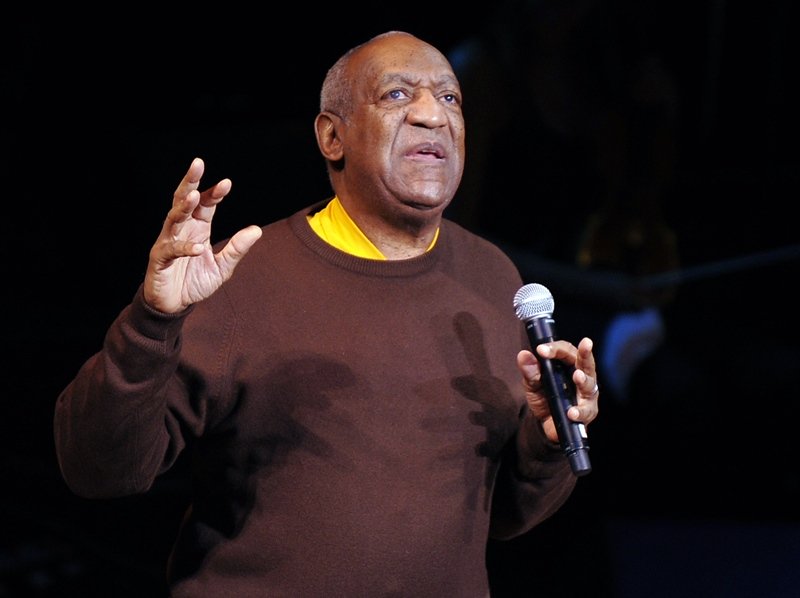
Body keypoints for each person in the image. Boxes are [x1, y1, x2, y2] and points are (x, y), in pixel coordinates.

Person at [54, 31, 600, 597]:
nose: (431, 116)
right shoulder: (243, 275)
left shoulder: (491, 277)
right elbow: (99, 471)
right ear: (332, 136)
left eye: (449, 98)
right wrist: (152, 320)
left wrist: (547, 438)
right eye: (396, 95)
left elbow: (505, 518)